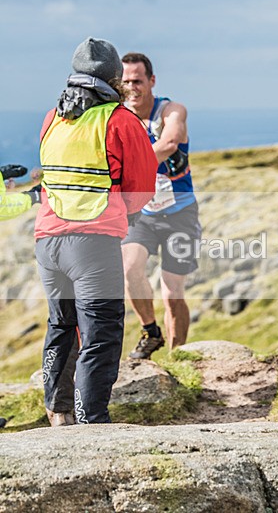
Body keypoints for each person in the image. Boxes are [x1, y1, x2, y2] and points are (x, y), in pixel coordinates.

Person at [35, 37, 157, 425]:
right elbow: (141, 190)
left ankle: (59, 413)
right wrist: (122, 211)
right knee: (101, 335)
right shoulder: (120, 120)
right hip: (92, 245)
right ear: (115, 79)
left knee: (61, 326)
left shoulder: (52, 118)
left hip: (47, 242)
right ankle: (92, 424)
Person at [121, 52, 201, 360]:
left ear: (151, 81)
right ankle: (150, 331)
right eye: (126, 81)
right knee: (130, 269)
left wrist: (128, 166)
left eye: (137, 81)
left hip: (180, 213)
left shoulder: (171, 110)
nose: (132, 87)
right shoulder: (118, 117)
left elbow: (169, 143)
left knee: (171, 292)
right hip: (141, 214)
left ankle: (176, 355)